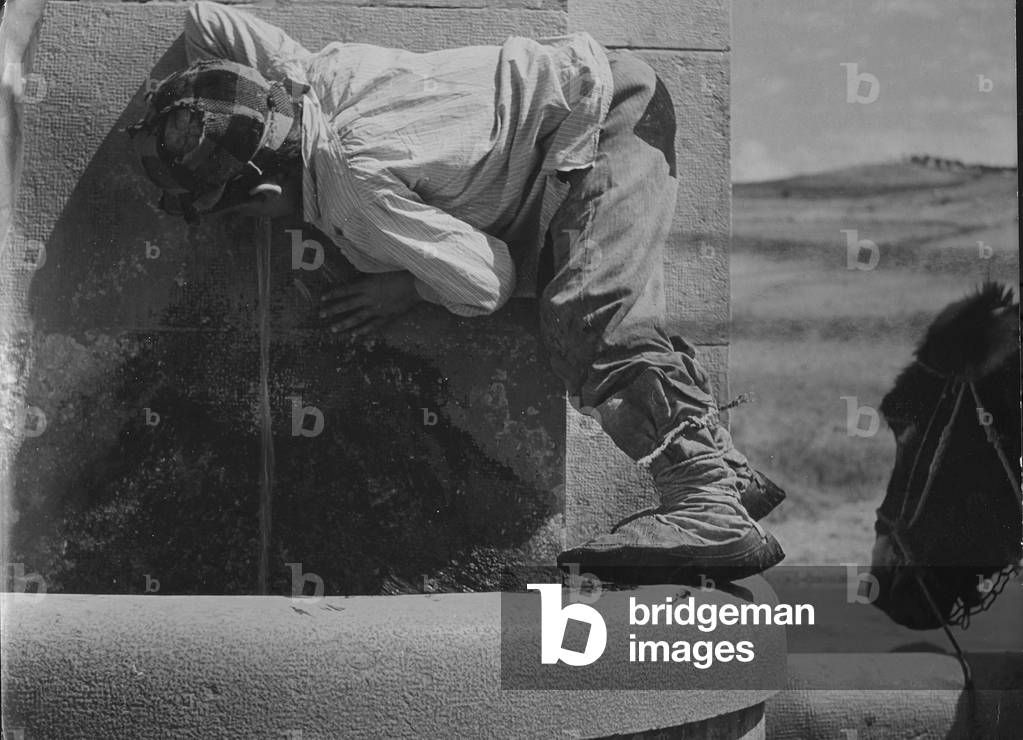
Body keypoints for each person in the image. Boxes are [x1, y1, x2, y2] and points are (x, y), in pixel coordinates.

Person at [129, 1, 786, 579]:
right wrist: (205, 110)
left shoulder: (353, 191)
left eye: (234, 211)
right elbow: (203, 19)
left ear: (268, 195)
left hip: (601, 125)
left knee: (588, 318)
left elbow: (487, 280)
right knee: (609, 296)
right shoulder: (310, 76)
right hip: (605, 94)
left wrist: (405, 287)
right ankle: (723, 472)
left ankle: (704, 504)